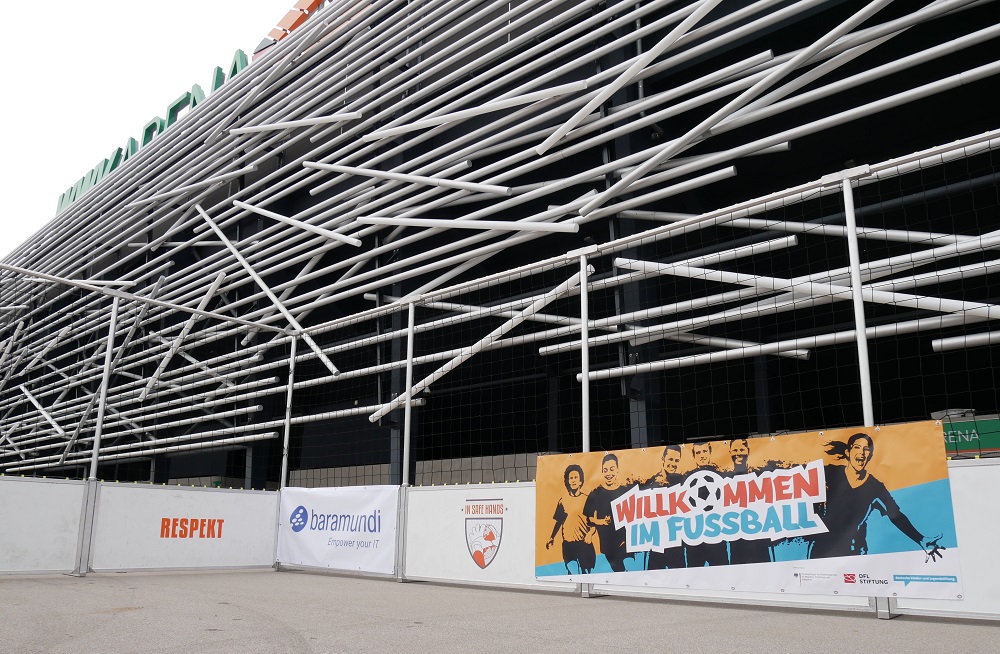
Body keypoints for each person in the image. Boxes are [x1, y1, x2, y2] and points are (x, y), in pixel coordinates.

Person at [810, 432, 943, 560]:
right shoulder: (830, 471)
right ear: (848, 452)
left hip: (852, 550)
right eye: (857, 447)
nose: (861, 453)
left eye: (866, 449)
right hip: (822, 548)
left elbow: (896, 515)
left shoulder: (875, 486)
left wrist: (920, 539)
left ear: (870, 456)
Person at [583, 453, 634, 572]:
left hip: (625, 540)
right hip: (607, 543)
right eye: (605, 470)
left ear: (617, 469)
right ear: (602, 471)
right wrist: (598, 523)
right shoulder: (596, 493)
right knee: (617, 570)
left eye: (612, 469)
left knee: (629, 565)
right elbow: (589, 519)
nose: (609, 473)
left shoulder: (626, 490)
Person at [727, 438, 773, 565]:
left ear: (748, 451)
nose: (738, 453)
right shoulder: (725, 478)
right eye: (734, 450)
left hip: (759, 538)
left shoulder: (759, 474)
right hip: (737, 539)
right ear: (729, 452)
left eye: (741, 449)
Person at [684, 442, 729, 567]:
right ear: (694, 456)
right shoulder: (687, 478)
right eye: (698, 453)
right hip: (695, 542)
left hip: (717, 539)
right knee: (693, 578)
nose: (702, 455)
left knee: (722, 575)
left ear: (710, 453)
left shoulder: (721, 474)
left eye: (704, 451)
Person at [545, 464, 596, 574]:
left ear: (581, 481)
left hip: (584, 545)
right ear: (567, 481)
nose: (573, 480)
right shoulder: (562, 501)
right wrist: (551, 537)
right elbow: (559, 521)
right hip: (568, 545)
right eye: (570, 478)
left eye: (575, 477)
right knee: (573, 573)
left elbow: (594, 523)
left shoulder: (587, 499)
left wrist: (589, 534)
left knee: (585, 575)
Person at [642, 445, 686, 570]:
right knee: (652, 581)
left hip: (676, 542)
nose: (673, 464)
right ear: (663, 459)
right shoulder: (651, 482)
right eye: (670, 459)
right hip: (657, 543)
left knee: (680, 580)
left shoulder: (682, 481)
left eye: (676, 461)